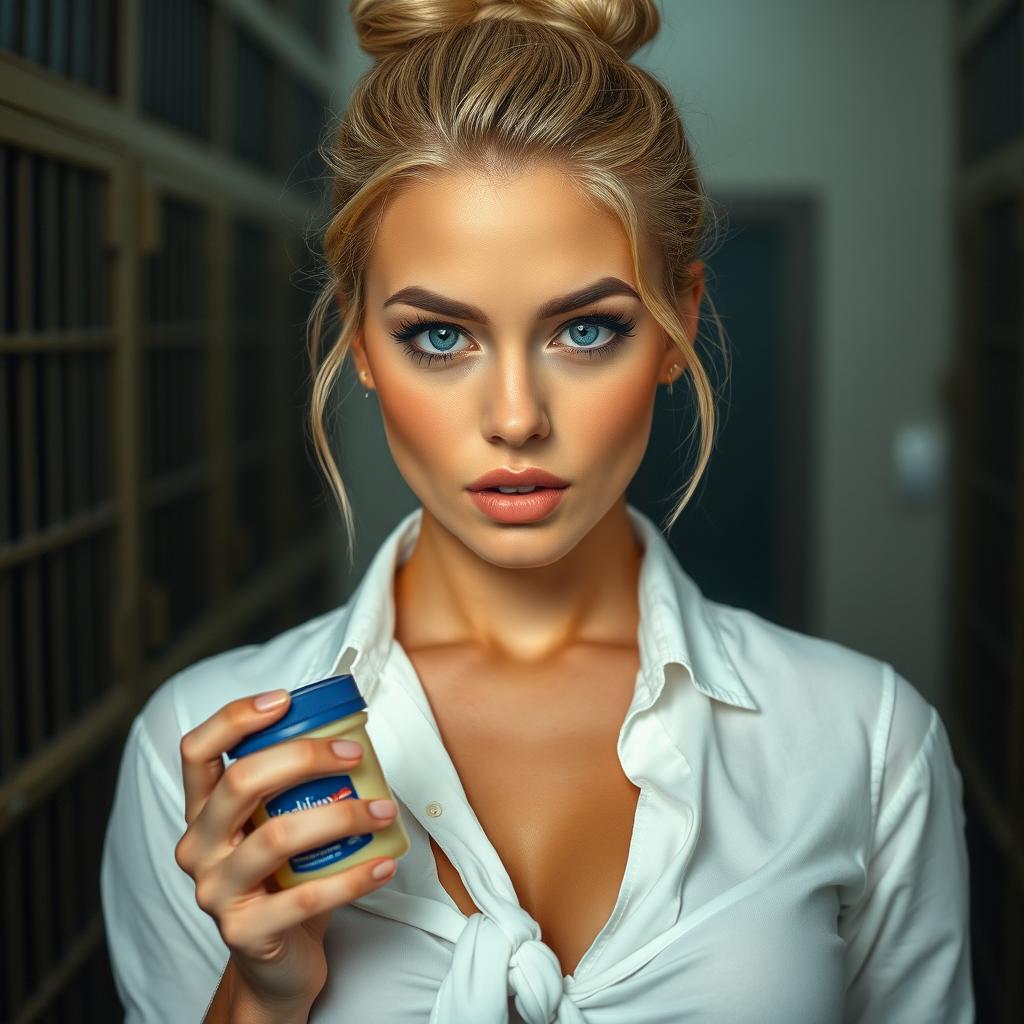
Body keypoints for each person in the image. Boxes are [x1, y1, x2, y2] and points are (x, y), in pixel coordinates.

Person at [100, 1, 974, 1021]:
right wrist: (262, 993)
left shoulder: (863, 743)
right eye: (439, 336)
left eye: (587, 330)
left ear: (679, 323)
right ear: (361, 344)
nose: (514, 417)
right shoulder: (206, 758)